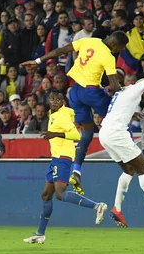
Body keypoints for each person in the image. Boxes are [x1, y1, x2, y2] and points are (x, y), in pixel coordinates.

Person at [21, 31, 129, 195]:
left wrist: (38, 61)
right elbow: (114, 87)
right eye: (120, 48)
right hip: (91, 93)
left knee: (87, 132)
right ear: (115, 45)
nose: (119, 51)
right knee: (121, 116)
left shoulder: (88, 41)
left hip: (75, 92)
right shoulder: (108, 56)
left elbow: (61, 50)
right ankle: (130, 158)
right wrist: (124, 94)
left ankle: (76, 171)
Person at [24, 92, 108, 244]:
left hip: (63, 158)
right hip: (56, 157)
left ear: (63, 101)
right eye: (52, 99)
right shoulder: (55, 113)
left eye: (58, 99)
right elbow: (71, 114)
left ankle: (97, 206)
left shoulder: (62, 115)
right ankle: (40, 234)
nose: (54, 101)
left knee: (60, 194)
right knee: (46, 195)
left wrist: (54, 133)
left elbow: (76, 135)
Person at [99, 74, 144, 227]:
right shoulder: (135, 88)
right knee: (143, 168)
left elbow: (119, 109)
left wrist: (133, 113)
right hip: (117, 134)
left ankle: (117, 209)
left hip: (105, 133)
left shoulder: (123, 93)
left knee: (129, 170)